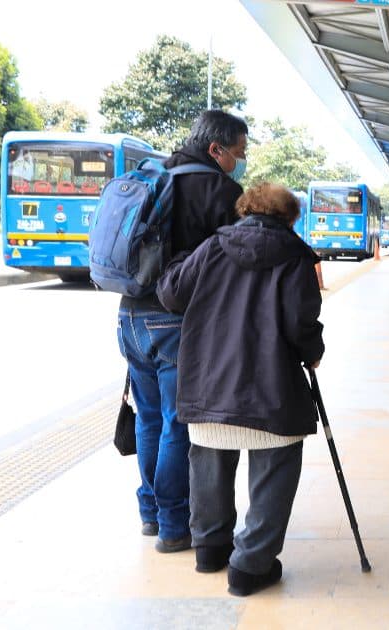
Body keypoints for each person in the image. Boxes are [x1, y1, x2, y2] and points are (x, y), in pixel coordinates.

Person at [157, 183, 323, 596]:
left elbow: (172, 295)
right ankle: (250, 566)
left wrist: (179, 260)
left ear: (245, 209)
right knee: (275, 471)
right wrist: (314, 352)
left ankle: (210, 549)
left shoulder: (213, 247)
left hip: (209, 383)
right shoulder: (297, 257)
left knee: (209, 466)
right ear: (289, 217)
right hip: (273, 388)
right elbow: (301, 322)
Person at [117, 110, 247, 553]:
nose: (239, 162)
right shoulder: (220, 189)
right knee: (176, 424)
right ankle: (175, 527)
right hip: (173, 321)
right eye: (237, 153)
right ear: (216, 149)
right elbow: (234, 262)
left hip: (129, 316)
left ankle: (151, 515)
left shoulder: (156, 173)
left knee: (149, 417)